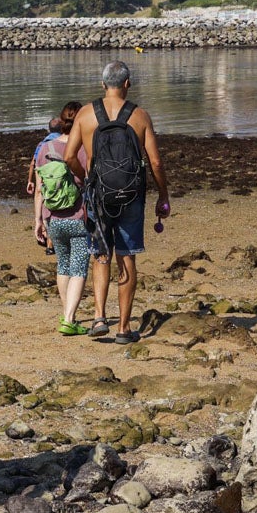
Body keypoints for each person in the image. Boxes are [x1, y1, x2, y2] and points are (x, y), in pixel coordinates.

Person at [65, 62, 170, 345]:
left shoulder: (86, 114)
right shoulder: (140, 116)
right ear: (128, 84)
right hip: (132, 196)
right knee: (127, 256)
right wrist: (163, 194)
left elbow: (68, 156)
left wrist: (85, 176)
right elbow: (156, 162)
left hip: (98, 195)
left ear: (102, 85)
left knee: (101, 255)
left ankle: (99, 317)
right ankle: (124, 328)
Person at [34, 101, 89, 335]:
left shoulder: (45, 149)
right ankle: (69, 318)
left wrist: (37, 221)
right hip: (79, 216)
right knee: (79, 268)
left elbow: (39, 189)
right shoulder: (84, 149)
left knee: (63, 265)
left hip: (53, 217)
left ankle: (66, 314)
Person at [25, 117, 63, 196]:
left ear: (49, 129)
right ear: (62, 129)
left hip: (47, 180)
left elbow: (33, 163)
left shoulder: (42, 144)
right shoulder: (65, 142)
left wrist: (30, 181)